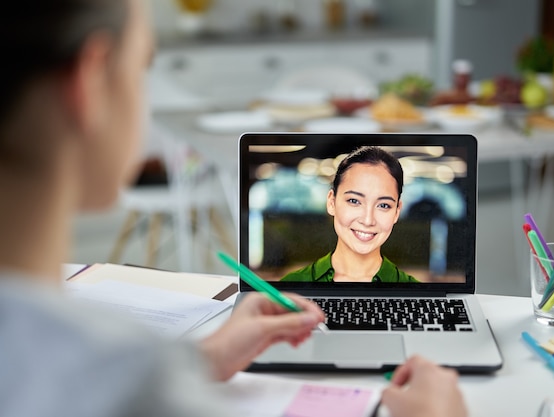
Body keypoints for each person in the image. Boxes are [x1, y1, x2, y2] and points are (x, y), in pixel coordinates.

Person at [0, 1, 466, 416]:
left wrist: (203, 359)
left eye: (383, 203)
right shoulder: (128, 381)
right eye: (142, 67)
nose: (367, 217)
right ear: (92, 82)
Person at [282, 146, 418, 283]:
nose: (367, 220)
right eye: (354, 201)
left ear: (396, 212)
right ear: (331, 202)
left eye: (383, 205)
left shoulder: (416, 294)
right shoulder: (291, 287)